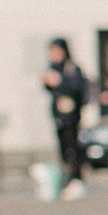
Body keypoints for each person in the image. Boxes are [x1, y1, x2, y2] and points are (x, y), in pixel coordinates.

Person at [42, 39, 90, 199]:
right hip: (59, 115)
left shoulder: (71, 68)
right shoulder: (53, 68)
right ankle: (66, 181)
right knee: (63, 150)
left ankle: (76, 181)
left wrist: (60, 80)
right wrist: (48, 82)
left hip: (71, 116)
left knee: (72, 149)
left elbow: (78, 87)